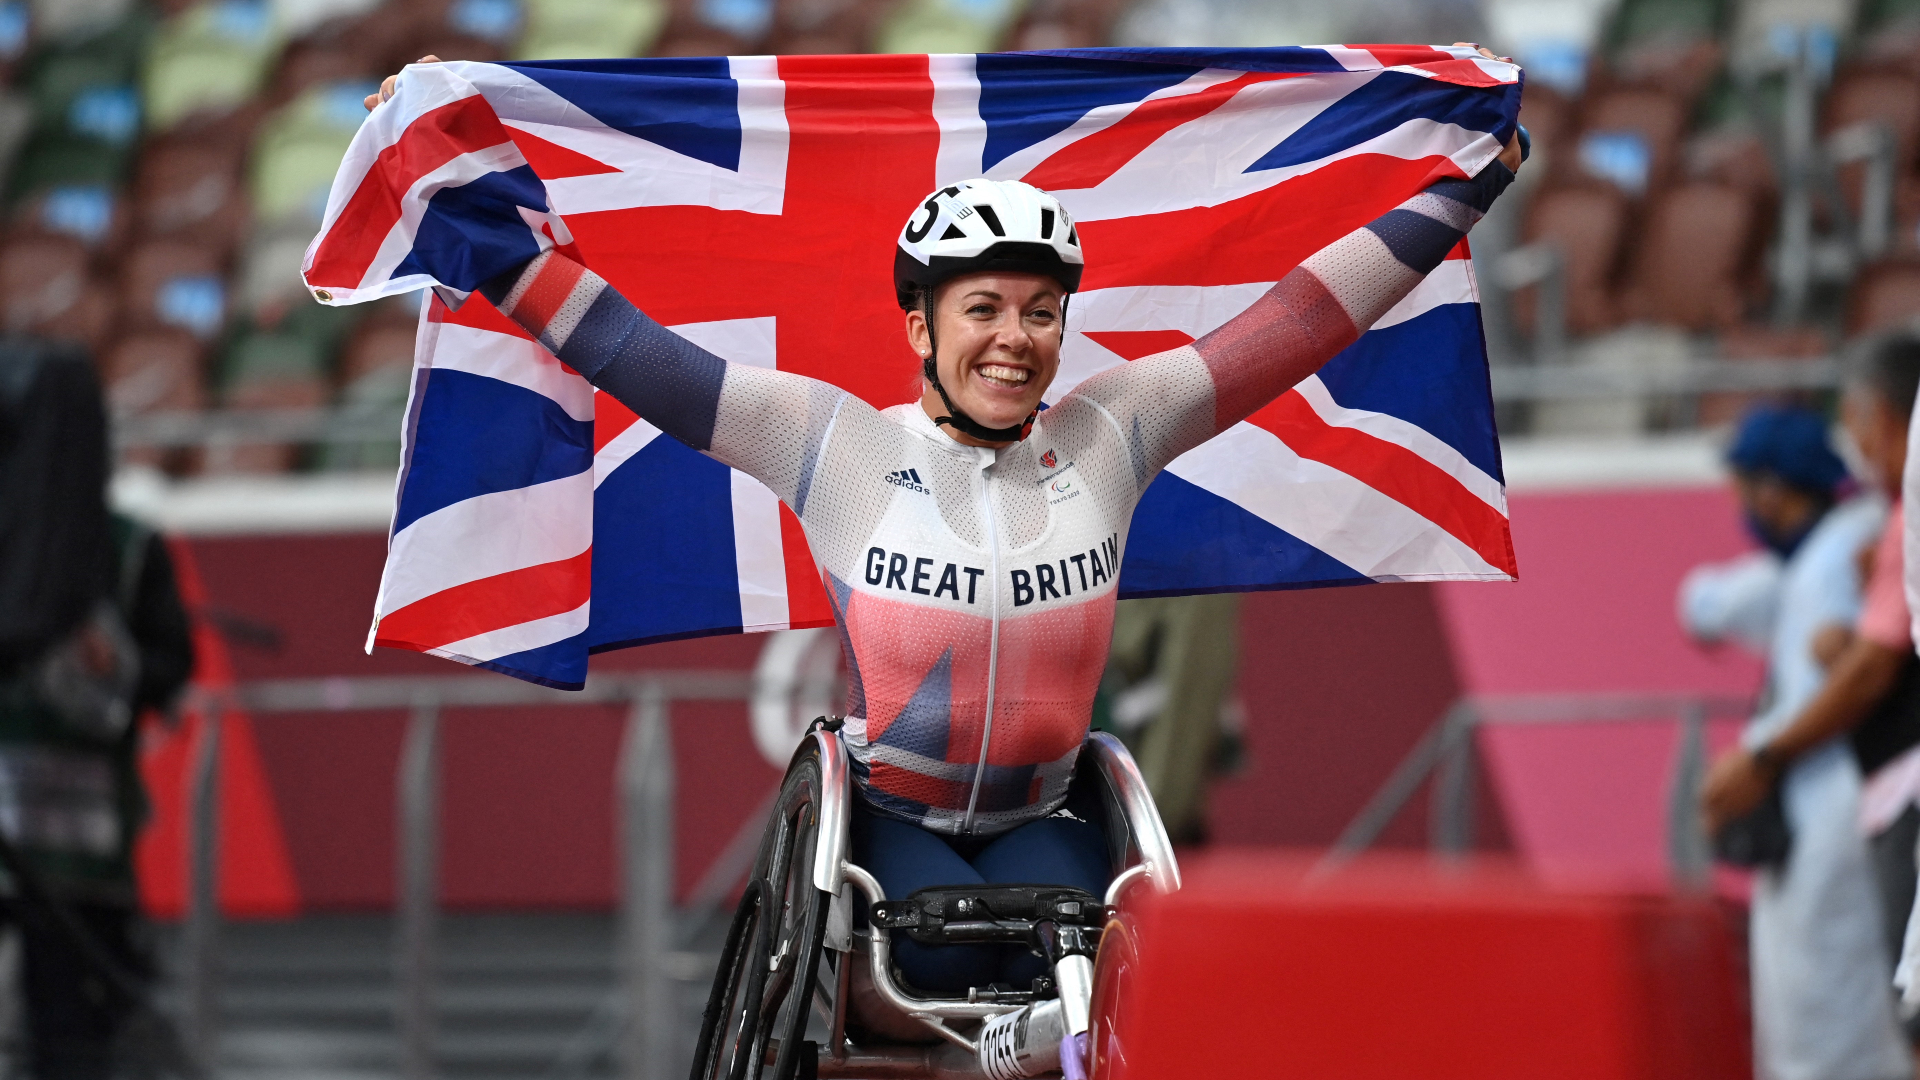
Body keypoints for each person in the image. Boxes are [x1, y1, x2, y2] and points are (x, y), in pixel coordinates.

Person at [363, 53, 1523, 995]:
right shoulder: (829, 442)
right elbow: (630, 351)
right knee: (927, 961)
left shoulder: (1115, 428)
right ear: (920, 326)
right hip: (891, 822)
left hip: (1049, 815)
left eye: (1040, 312)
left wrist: (1458, 191)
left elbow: (1299, 324)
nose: (1014, 337)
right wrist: (461, 199)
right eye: (982, 309)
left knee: (1089, 976)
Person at [1691, 395, 1912, 1080]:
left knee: (1843, 1033)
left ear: (1774, 490)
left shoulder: (1850, 543)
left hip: (1842, 814)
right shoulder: (1824, 551)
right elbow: (1705, 605)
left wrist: (1760, 759)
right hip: (1815, 821)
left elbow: (1869, 670)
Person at [0, 339, 194, 1079]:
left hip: (76, 842)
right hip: (55, 834)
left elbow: (169, 666)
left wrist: (115, 673)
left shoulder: (128, 549)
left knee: (74, 1038)